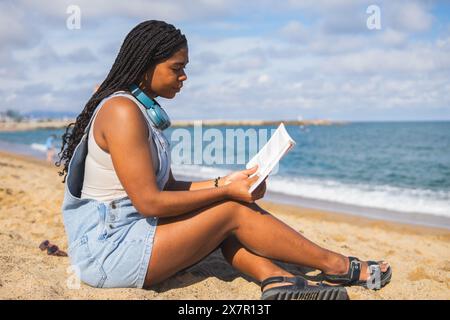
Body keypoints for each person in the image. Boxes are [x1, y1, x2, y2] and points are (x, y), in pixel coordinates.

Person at [56, 20, 391, 300]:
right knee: (229, 211)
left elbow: (169, 186)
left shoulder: (140, 111)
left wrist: (226, 182)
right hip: (108, 251)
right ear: (146, 64)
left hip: (131, 234)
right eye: (177, 68)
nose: (184, 77)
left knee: (219, 215)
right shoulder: (122, 111)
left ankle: (276, 279)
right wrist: (226, 194)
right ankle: (337, 266)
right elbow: (150, 202)